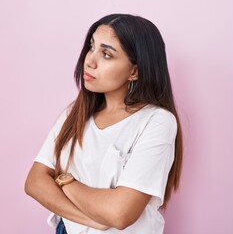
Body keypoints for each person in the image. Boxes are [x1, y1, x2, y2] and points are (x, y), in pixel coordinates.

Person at [25, 13, 183, 234]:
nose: (89, 61)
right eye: (91, 47)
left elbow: (120, 213)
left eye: (106, 54)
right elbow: (34, 182)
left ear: (134, 71)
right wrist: (92, 219)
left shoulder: (157, 122)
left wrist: (65, 181)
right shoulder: (75, 113)